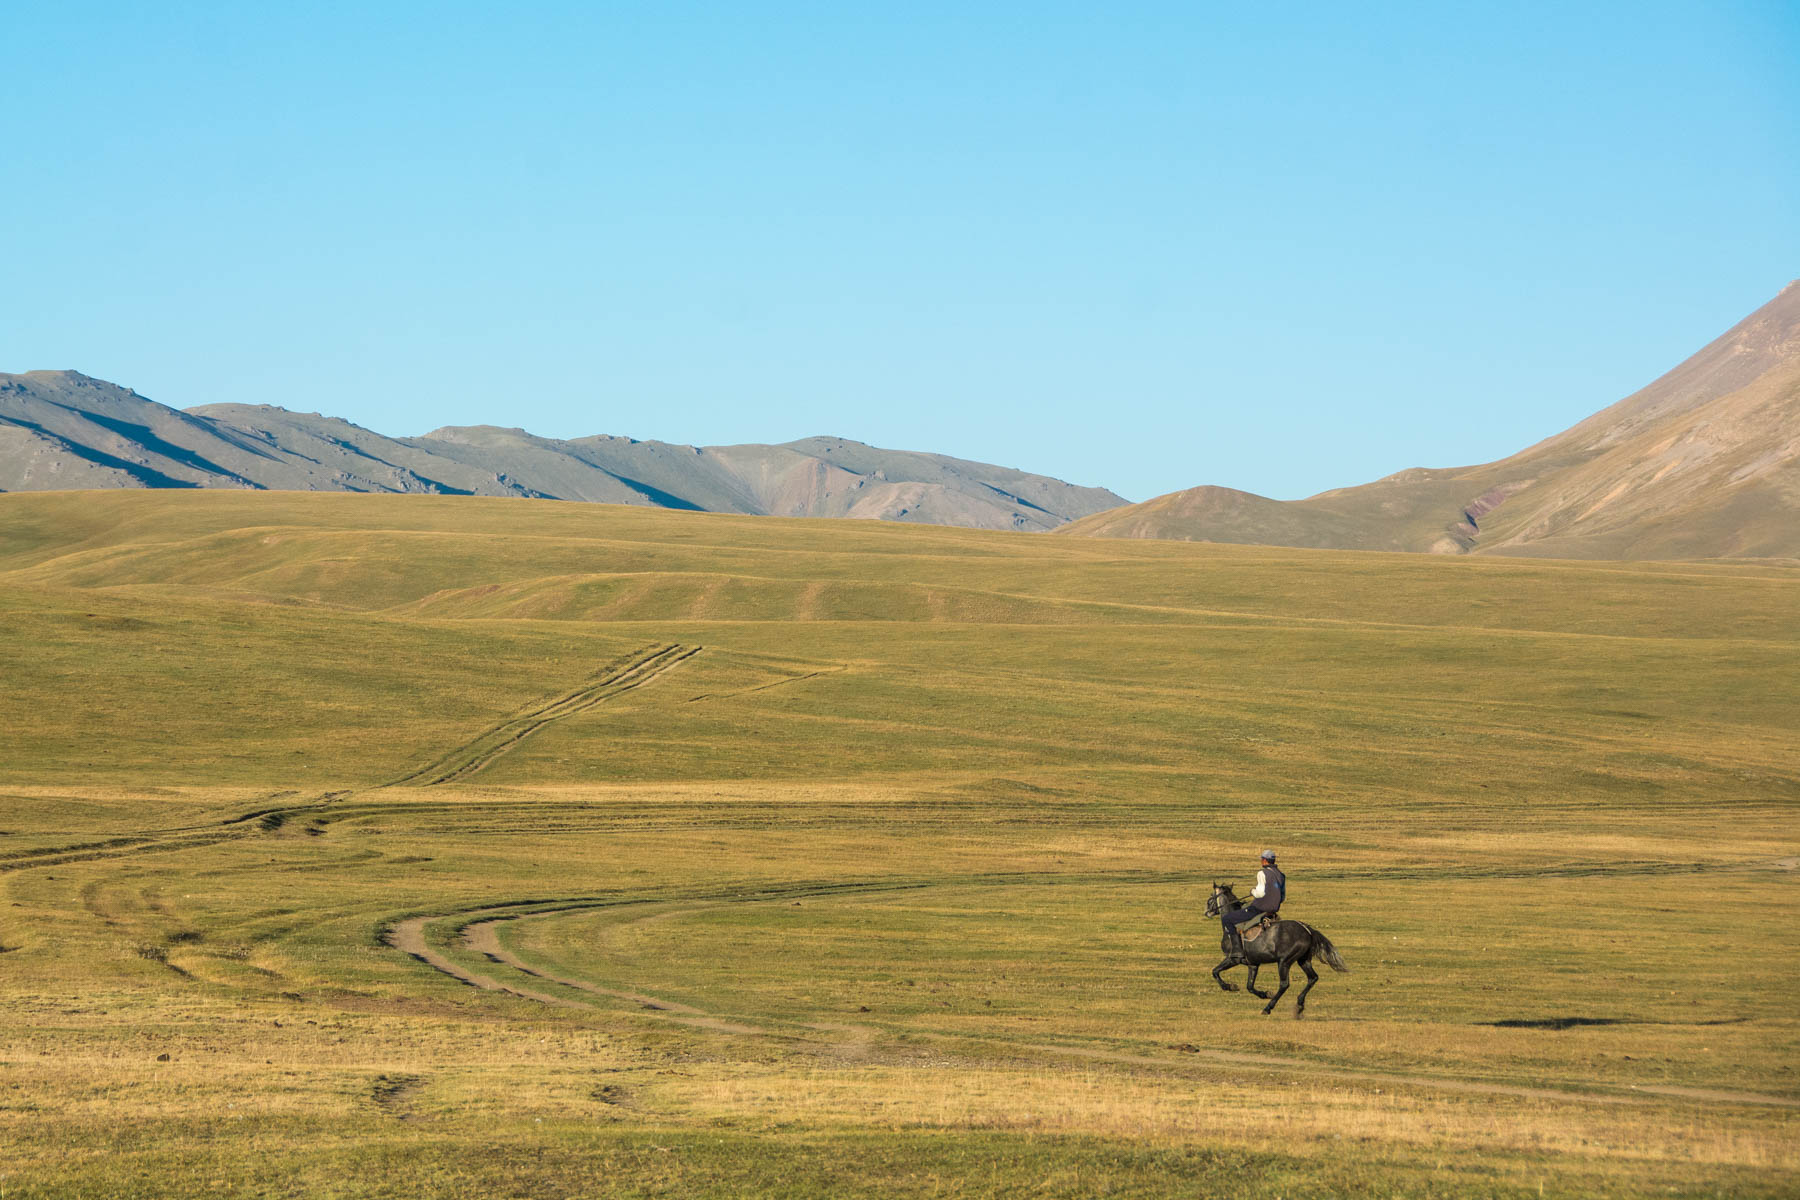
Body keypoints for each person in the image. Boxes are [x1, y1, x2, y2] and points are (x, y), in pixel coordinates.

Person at [1222, 850, 1285, 950]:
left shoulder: (1262, 873)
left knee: (1227, 919)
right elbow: (1282, 897)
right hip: (1274, 909)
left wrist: (1252, 891)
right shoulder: (1281, 875)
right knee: (1245, 906)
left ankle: (1236, 949)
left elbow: (1260, 894)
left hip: (1259, 908)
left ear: (1264, 860)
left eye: (1261, 859)